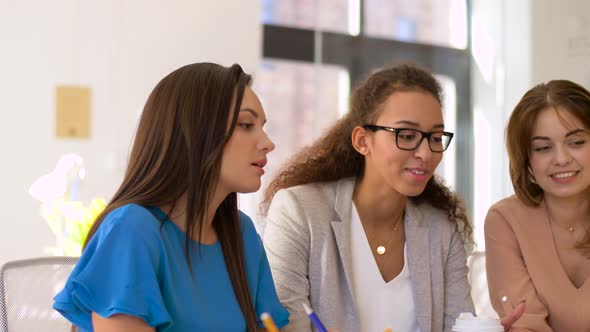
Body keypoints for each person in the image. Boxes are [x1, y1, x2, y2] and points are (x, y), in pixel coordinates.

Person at [52, 63, 289, 331]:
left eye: (262, 126)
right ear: (195, 133)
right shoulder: (132, 230)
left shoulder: (242, 234)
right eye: (246, 125)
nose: (267, 143)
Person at [261, 63, 475, 332]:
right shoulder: (300, 211)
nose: (426, 153)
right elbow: (284, 326)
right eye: (406, 135)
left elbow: (462, 325)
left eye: (434, 137)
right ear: (363, 140)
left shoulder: (441, 229)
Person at [485, 80, 590, 331]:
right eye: (543, 148)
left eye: (576, 142)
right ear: (527, 159)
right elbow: (526, 326)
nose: (562, 159)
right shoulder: (505, 220)